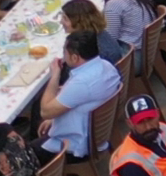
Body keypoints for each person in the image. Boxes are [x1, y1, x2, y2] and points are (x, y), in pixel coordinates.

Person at [38, 30, 123, 158]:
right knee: (39, 119)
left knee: (31, 149)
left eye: (65, 52)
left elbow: (45, 112)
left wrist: (55, 74)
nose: (63, 56)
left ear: (75, 57)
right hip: (97, 132)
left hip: (76, 144)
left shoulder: (81, 83)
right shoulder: (107, 66)